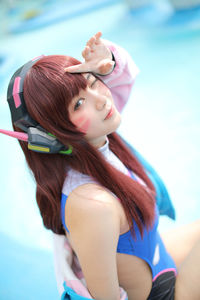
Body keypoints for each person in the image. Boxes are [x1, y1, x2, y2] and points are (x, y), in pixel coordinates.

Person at [3, 32, 200, 300]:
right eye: (79, 103)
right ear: (48, 136)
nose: (101, 99)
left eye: (93, 82)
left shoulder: (96, 144)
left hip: (160, 265)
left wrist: (108, 61)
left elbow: (121, 83)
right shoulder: (92, 205)